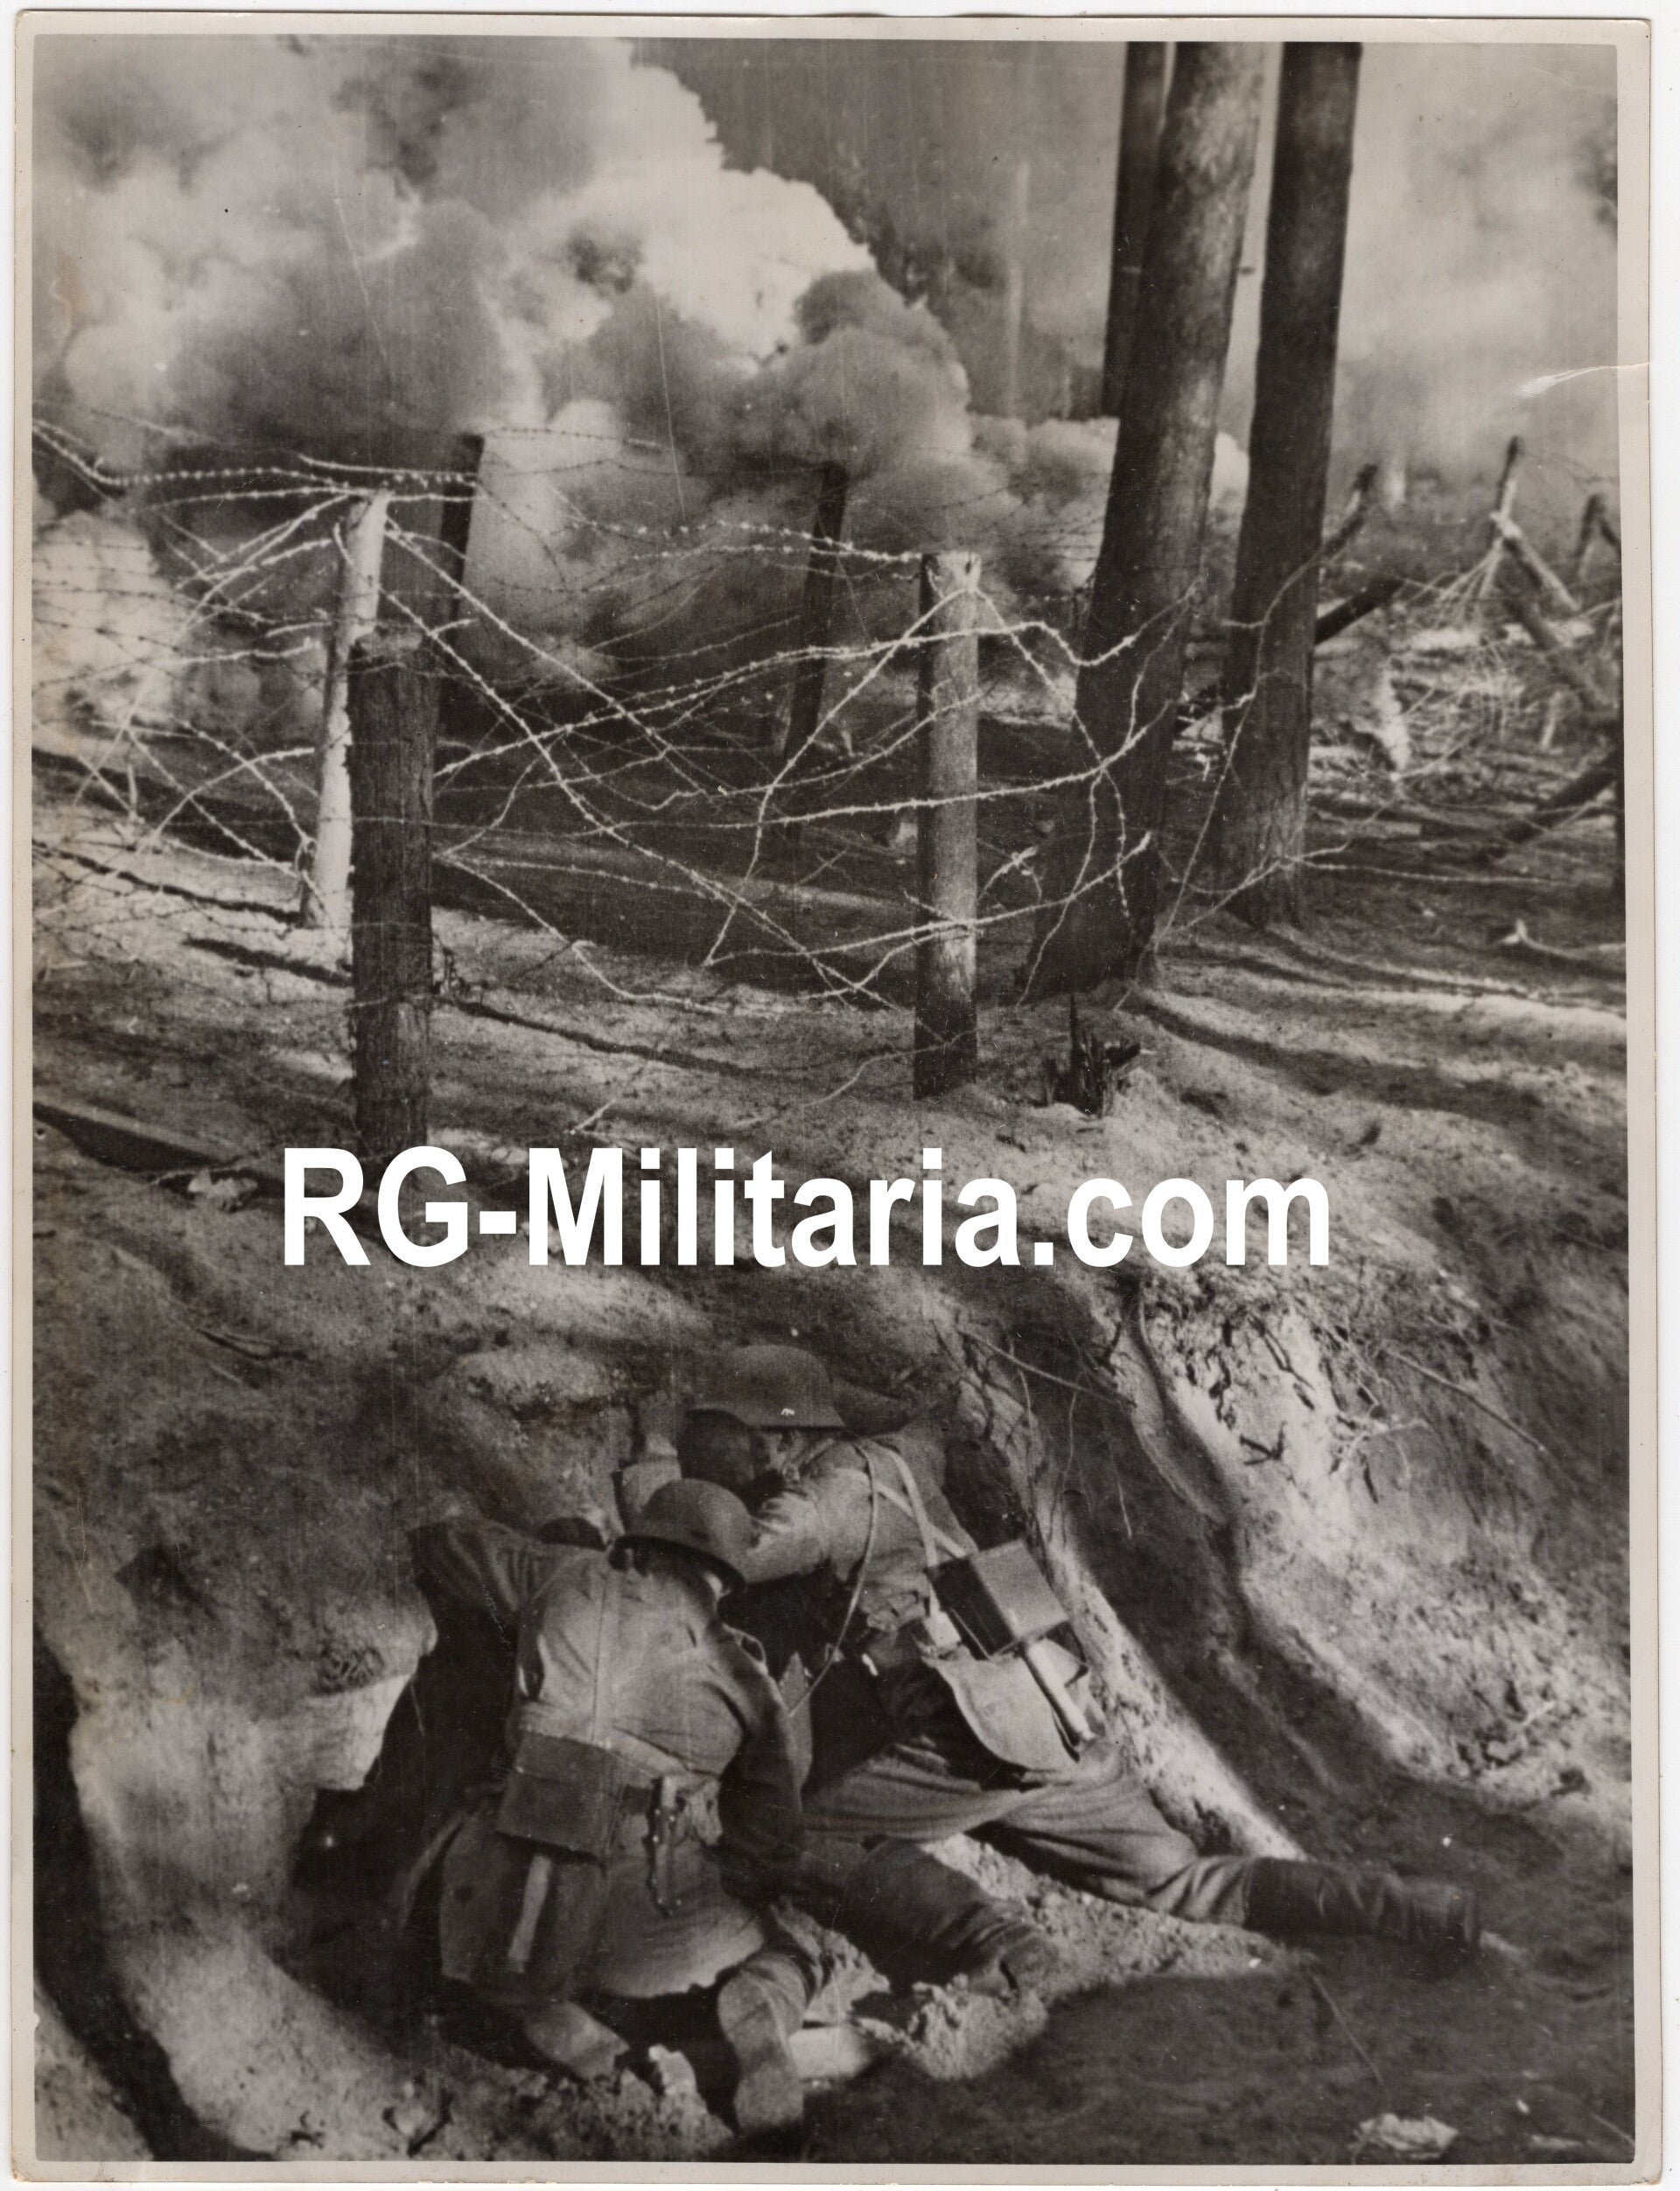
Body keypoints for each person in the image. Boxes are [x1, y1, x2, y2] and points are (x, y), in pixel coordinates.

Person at [681, 1347, 1481, 1973]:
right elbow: (918, 1411)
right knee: (1185, 1881)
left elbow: (725, 1555)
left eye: (736, 1441)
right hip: (1056, 1710)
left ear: (781, 1440)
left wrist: (652, 1458)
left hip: (971, 1745)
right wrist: (817, 1405)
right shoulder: (907, 1453)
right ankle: (1410, 1907)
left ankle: (991, 1938)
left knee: (785, 1833)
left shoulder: (812, 1506)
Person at [409, 1479, 819, 2136]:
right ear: (727, 1576)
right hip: (648, 1915)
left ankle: (536, 2007)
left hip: (504, 1894)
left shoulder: (560, 1577)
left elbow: (450, 1546)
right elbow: (776, 1839)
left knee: (503, 1929)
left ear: (640, 1544)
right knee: (795, 1951)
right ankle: (759, 2001)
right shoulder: (744, 1674)